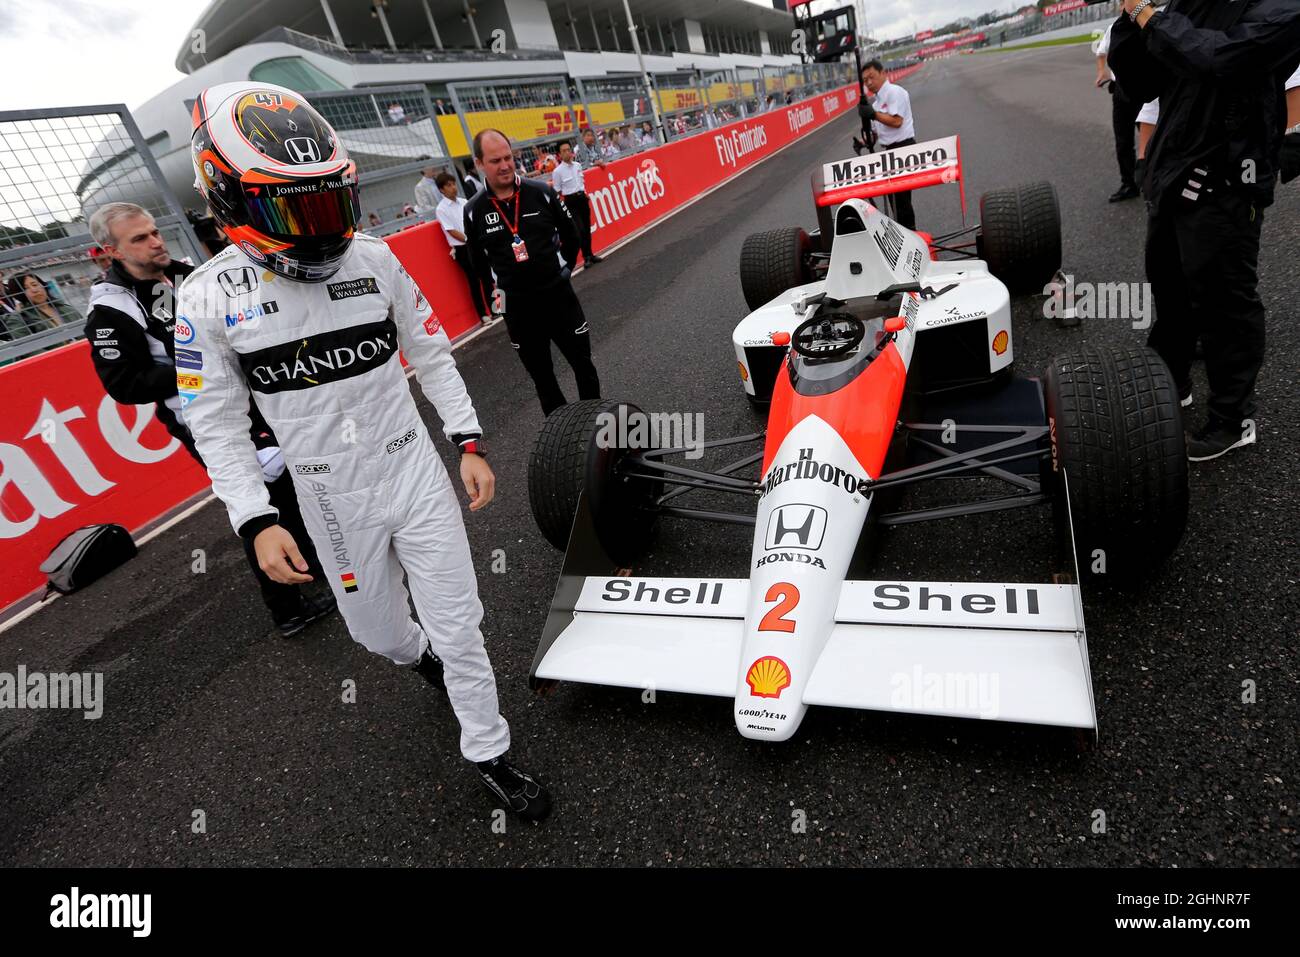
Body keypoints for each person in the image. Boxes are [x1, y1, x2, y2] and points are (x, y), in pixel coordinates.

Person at [183, 82, 549, 819]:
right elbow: (215, 424)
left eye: (329, 203)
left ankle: (488, 747)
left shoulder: (376, 259)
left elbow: (433, 352)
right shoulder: (203, 299)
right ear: (231, 202)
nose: (321, 228)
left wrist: (467, 439)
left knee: (462, 620)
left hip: (411, 463)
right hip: (326, 492)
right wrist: (256, 518)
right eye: (295, 209)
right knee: (380, 634)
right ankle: (421, 658)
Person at [84, 202, 336, 637]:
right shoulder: (110, 309)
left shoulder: (184, 274)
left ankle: (306, 568)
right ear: (109, 251)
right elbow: (125, 385)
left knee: (292, 489)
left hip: (254, 400)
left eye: (155, 231)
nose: (155, 241)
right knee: (259, 507)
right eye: (140, 238)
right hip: (206, 420)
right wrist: (204, 364)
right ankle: (288, 609)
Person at [1108, 0, 1300, 461]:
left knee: (1225, 305)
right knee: (1170, 294)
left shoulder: (1283, 9)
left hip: (1229, 185)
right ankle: (1173, 385)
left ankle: (1234, 419)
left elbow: (1217, 58)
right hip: (1173, 178)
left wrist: (1149, 16)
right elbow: (1141, 81)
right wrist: (1131, 18)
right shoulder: (1186, 7)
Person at [464, 128, 601, 416]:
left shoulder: (541, 192)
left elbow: (572, 235)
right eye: (494, 161)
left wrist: (562, 273)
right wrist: (500, 298)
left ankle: (597, 434)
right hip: (519, 309)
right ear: (479, 164)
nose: (504, 165)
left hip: (558, 297)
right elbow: (478, 264)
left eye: (508, 157)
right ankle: (561, 441)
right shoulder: (473, 210)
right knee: (544, 380)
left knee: (583, 364)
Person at [857, 59, 918, 231]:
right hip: (889, 152)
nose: (869, 82)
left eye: (872, 77)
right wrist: (863, 142)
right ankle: (905, 234)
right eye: (865, 80)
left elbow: (897, 121)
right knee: (895, 201)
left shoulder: (894, 92)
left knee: (901, 201)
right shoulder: (876, 103)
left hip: (903, 148)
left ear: (883, 73)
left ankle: (911, 234)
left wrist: (873, 115)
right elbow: (877, 134)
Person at [1095, 19, 1142, 202]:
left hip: (1148, 89)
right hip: (1121, 90)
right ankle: (1129, 184)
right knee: (1123, 141)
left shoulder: (1150, 20)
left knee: (1154, 141)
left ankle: (1159, 183)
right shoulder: (1113, 28)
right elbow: (1100, 52)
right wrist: (1101, 72)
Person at [434, 171, 491, 321]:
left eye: (453, 184)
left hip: (476, 245)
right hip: (462, 249)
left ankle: (496, 309)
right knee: (473, 281)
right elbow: (451, 231)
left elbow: (475, 222)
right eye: (448, 185)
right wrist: (470, 239)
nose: (453, 187)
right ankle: (483, 315)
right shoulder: (441, 209)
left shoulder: (465, 202)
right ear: (441, 189)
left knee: (487, 277)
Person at [551, 141, 601, 268]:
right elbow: (557, 191)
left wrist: (585, 193)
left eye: (568, 149)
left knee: (587, 228)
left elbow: (581, 182)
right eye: (564, 151)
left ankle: (590, 254)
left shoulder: (577, 165)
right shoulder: (558, 172)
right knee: (580, 230)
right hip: (570, 201)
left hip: (582, 199)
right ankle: (585, 258)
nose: (568, 152)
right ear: (559, 154)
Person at [5, 272, 81, 332]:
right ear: (19, 293)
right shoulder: (20, 319)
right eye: (26, 288)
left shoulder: (67, 308)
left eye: (35, 285)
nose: (34, 290)